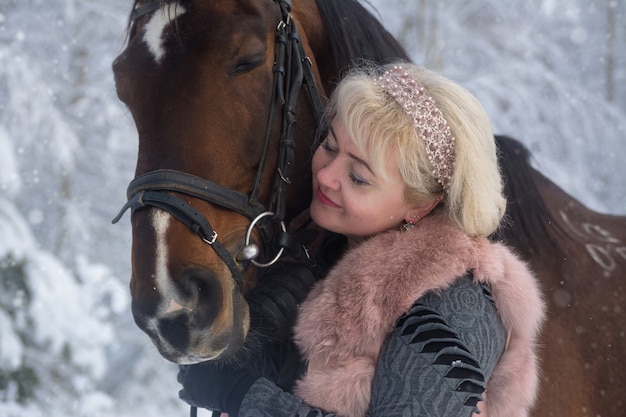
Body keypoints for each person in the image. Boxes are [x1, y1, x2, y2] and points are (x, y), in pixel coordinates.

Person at [177, 62, 545, 417]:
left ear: (421, 205)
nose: (327, 176)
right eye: (330, 146)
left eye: (359, 177)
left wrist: (246, 397)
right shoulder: (311, 252)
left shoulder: (455, 306)